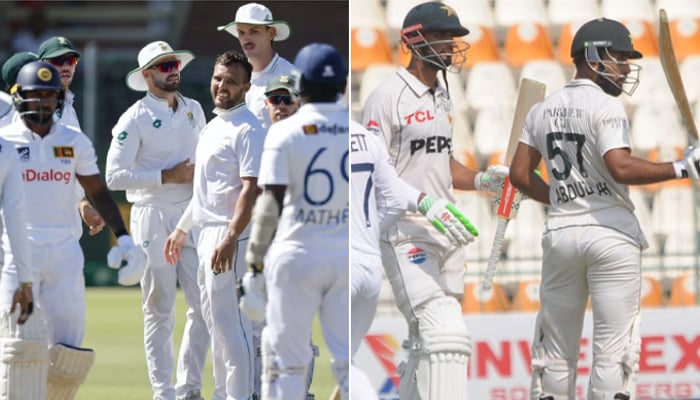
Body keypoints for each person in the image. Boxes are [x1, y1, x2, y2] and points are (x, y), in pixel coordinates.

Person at [508, 17, 700, 400]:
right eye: (620, 58)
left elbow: (518, 174)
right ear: (594, 56)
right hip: (611, 234)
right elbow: (620, 167)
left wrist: (563, 198)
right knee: (613, 355)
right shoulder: (607, 107)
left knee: (556, 355)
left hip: (561, 234)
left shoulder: (541, 110)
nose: (626, 67)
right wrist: (683, 167)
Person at [360, 3, 507, 398]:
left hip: (448, 233)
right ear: (414, 39)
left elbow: (444, 164)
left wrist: (481, 179)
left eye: (453, 39)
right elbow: (373, 175)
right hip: (407, 233)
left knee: (426, 345)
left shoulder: (442, 94)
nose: (450, 46)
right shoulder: (386, 97)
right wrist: (421, 201)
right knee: (446, 337)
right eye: (442, 37)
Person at [0, 60, 145, 399]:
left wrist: (124, 238)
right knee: (19, 351)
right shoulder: (4, 141)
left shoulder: (73, 140)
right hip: (18, 254)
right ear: (19, 98)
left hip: (65, 254)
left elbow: (96, 191)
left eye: (50, 96)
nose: (45, 103)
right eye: (36, 96)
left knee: (69, 356)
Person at [241, 42, 348, 400]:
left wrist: (254, 265)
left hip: (296, 254)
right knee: (350, 363)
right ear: (343, 84)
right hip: (346, 257)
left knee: (287, 363)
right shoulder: (359, 131)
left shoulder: (284, 133)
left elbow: (269, 205)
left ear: (302, 86)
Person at [105, 40, 209, 400]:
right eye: (165, 66)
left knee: (205, 305)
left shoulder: (195, 109)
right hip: (151, 213)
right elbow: (113, 177)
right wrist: (166, 176)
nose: (173, 70)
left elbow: (203, 166)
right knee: (160, 307)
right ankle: (163, 393)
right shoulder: (134, 118)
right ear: (147, 74)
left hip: (191, 214)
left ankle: (189, 388)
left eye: (175, 64)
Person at [349, 120, 479, 400]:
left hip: (334, 263)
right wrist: (425, 202)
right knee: (436, 337)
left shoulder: (300, 134)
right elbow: (396, 196)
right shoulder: (364, 135)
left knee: (331, 360)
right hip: (367, 266)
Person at [164, 50, 264, 400]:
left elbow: (251, 188)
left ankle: (243, 395)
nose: (222, 86)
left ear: (246, 86)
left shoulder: (249, 128)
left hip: (227, 235)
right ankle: (224, 394)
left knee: (233, 326)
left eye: (232, 81)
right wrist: (181, 228)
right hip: (205, 232)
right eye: (219, 78)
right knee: (216, 325)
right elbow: (205, 191)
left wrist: (232, 236)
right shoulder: (212, 125)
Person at [38, 36, 105, 236]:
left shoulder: (68, 105)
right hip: (40, 220)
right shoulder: (35, 107)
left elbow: (68, 163)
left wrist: (82, 203)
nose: (66, 66)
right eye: (58, 61)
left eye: (71, 61)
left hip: (67, 223)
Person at [217, 2, 295, 129]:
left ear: (271, 33)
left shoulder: (291, 76)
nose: (246, 38)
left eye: (254, 31)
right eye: (241, 32)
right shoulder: (232, 77)